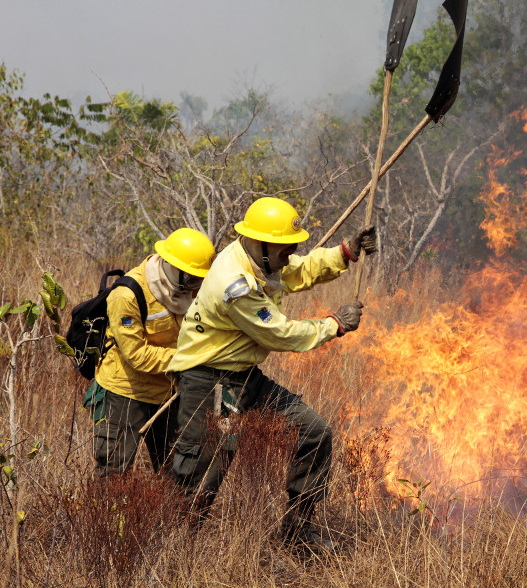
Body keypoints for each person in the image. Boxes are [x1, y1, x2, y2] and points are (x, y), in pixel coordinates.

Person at [166, 196, 375, 553]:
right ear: (260, 244)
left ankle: (297, 535)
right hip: (210, 383)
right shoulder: (235, 283)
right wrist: (334, 324)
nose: (288, 255)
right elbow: (278, 333)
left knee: (314, 432)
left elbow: (296, 271)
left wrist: (345, 253)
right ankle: (171, 552)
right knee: (205, 475)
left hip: (245, 377)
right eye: (283, 250)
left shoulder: (258, 259)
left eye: (291, 248)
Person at [85, 228, 216, 477]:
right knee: (114, 472)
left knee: (177, 472)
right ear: (170, 266)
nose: (195, 286)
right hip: (125, 393)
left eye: (200, 280)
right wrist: (190, 360)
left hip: (170, 391)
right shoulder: (127, 295)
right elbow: (136, 354)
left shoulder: (191, 290)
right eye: (190, 278)